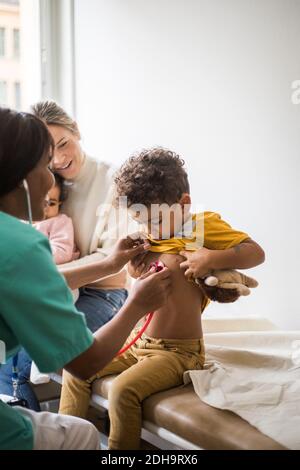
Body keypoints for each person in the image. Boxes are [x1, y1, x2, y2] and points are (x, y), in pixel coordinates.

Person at [59, 147, 265, 450]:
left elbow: (255, 252)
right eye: (138, 220)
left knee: (123, 391)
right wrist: (133, 265)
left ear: (183, 204)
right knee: (75, 370)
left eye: (152, 221)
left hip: (177, 353)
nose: (145, 229)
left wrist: (210, 258)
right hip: (137, 342)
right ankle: (67, 443)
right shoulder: (151, 235)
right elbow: (140, 279)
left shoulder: (199, 228)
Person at [0, 110, 171, 450]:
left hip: (103, 294)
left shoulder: (110, 183)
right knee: (82, 434)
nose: (52, 181)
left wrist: (110, 263)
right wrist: (138, 303)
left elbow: (29, 283)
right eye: (44, 166)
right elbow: (84, 363)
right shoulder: (22, 244)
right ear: (20, 177)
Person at [0, 100, 133, 409]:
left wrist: (43, 274)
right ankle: (23, 415)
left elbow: (113, 260)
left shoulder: (115, 182)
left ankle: (23, 415)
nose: (58, 160)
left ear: (78, 132)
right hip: (57, 285)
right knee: (14, 346)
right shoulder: (37, 183)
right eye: (48, 155)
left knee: (29, 348)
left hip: (101, 292)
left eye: (64, 144)